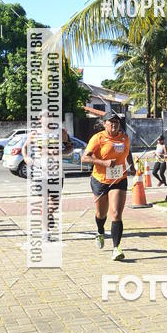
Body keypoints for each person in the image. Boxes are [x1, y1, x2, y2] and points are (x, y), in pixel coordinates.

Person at [82, 113, 136, 261]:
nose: (114, 124)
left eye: (117, 122)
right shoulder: (98, 138)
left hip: (119, 179)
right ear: (104, 123)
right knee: (101, 213)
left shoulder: (124, 138)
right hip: (100, 180)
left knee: (116, 213)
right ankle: (100, 231)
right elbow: (85, 157)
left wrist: (131, 165)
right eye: (111, 122)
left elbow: (128, 151)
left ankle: (116, 248)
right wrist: (104, 163)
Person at [22, 112, 73, 241]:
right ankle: (45, 232)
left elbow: (70, 148)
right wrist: (26, 158)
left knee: (54, 203)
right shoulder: (34, 134)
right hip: (40, 172)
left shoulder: (60, 132)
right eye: (45, 117)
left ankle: (49, 214)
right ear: (40, 120)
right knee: (43, 202)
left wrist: (59, 152)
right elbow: (24, 148)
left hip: (56, 172)